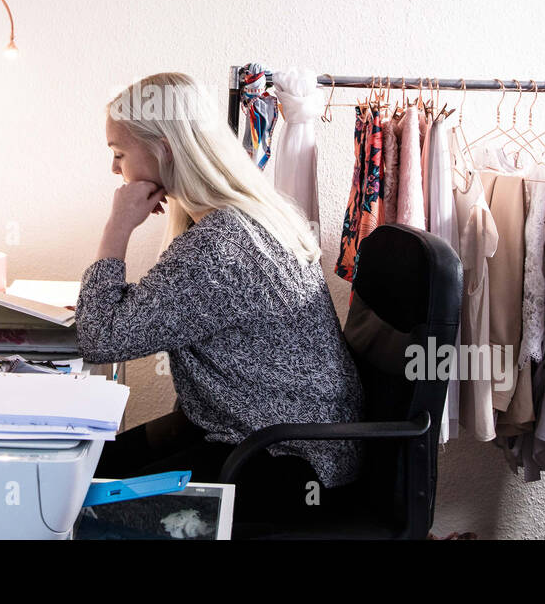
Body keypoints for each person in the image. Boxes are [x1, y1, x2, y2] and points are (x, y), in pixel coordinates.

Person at [77, 72, 364, 524]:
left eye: (119, 154)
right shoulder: (246, 216)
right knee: (83, 475)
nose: (115, 170)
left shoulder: (222, 246)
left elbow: (100, 337)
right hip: (263, 431)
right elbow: (142, 315)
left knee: (91, 508)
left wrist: (117, 228)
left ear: (163, 150)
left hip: (286, 456)